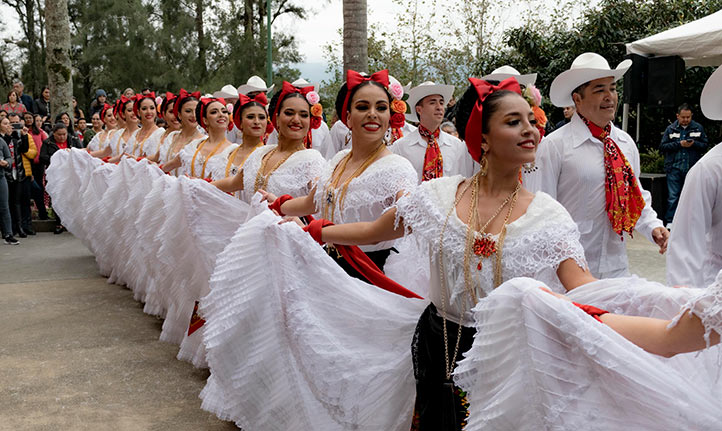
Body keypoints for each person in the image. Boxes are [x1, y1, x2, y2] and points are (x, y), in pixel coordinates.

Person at [198, 77, 722, 430]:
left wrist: (674, 325)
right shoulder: (437, 197)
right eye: (514, 121)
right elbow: (377, 228)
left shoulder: (548, 217)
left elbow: (586, 293)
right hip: (436, 338)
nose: (531, 129)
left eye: (533, 121)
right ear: (484, 137)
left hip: (508, 355)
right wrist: (311, 229)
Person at [261, 69, 418, 278]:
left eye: (381, 107)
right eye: (363, 107)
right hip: (330, 266)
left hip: (371, 274)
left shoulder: (398, 167)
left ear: (390, 117)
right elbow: (313, 202)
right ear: (348, 118)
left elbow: (393, 226)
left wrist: (315, 231)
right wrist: (278, 204)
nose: (373, 113)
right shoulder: (339, 161)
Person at [525, 52, 668, 278]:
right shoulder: (555, 145)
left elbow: (635, 194)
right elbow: (539, 209)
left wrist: (653, 226)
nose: (609, 96)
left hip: (615, 265)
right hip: (569, 270)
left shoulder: (624, 143)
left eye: (612, 88)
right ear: (577, 99)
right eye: (599, 90)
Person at [211, 81, 326, 200]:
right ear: (276, 118)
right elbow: (233, 183)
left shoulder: (312, 161)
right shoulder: (260, 154)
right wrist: (198, 184)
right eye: (289, 113)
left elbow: (316, 205)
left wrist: (282, 207)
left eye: (304, 115)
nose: (296, 120)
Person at [667, 66, 722, 288]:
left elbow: (701, 142)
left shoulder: (698, 129)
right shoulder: (709, 170)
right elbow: (685, 248)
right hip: (715, 293)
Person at [390, 81, 476, 182]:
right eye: (432, 102)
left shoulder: (457, 146)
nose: (439, 107)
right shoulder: (401, 147)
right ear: (419, 109)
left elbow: (465, 180)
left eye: (441, 102)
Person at [207, 91, 269, 199]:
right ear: (239, 122)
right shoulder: (227, 153)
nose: (257, 122)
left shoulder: (267, 155)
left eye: (262, 117)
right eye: (250, 117)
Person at [659, 103, 708, 227]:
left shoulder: (698, 128)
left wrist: (694, 144)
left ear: (691, 116)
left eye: (688, 117)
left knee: (692, 196)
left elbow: (705, 145)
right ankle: (670, 222)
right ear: (677, 116)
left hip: (692, 168)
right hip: (674, 167)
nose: (685, 120)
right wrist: (679, 144)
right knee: (673, 196)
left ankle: (691, 222)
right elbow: (663, 147)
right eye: (683, 117)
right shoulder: (670, 129)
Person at [40, 122, 82, 233]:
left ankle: (74, 223)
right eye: (59, 134)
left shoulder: (73, 140)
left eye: (64, 134)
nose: (62, 137)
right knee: (58, 198)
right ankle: (59, 223)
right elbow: (42, 157)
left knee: (72, 197)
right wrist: (57, 158)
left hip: (71, 173)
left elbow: (81, 152)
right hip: (56, 175)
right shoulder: (47, 142)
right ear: (54, 134)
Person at [158, 90, 203, 175]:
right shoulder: (172, 136)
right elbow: (157, 157)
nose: (193, 115)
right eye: (188, 111)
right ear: (179, 114)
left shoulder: (203, 142)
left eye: (196, 111)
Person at [125, 93, 165, 158]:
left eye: (152, 108)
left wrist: (138, 159)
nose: (149, 112)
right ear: (138, 112)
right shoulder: (135, 133)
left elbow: (161, 158)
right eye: (144, 109)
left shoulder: (161, 133)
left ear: (156, 111)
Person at [147, 92, 181, 163]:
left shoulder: (190, 139)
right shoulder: (156, 135)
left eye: (178, 112)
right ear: (163, 114)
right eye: (171, 112)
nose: (176, 116)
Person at [29, 114, 48, 220]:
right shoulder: (27, 132)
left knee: (40, 187)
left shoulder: (41, 132)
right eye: (36, 120)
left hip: (39, 164)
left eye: (40, 120)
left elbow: (46, 143)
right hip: (29, 163)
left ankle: (42, 213)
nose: (38, 122)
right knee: (33, 187)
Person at [0, 132, 18, 244]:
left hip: (1, 177)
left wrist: (6, 163)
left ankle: (8, 234)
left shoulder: (1, 142)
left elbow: (9, 158)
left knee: (4, 207)